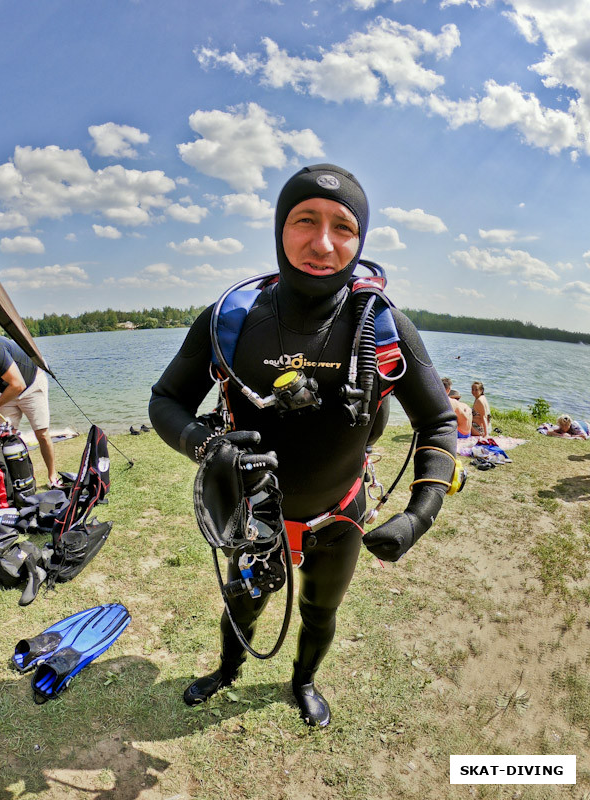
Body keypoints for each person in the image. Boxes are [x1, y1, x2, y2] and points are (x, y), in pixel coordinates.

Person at [150, 163, 457, 727]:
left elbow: (437, 422)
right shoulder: (231, 319)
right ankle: (227, 670)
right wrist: (205, 445)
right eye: (304, 221)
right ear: (278, 228)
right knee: (242, 604)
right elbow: (165, 401)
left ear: (360, 239)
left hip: (339, 516)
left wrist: (420, 515)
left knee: (321, 611)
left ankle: (304, 681)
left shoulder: (385, 326)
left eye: (343, 227)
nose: (322, 243)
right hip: (253, 514)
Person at [0, 335, 60, 487]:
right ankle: (12, 483)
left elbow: (18, 385)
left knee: (41, 434)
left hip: (31, 385)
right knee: (5, 437)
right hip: (8, 392)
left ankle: (52, 476)